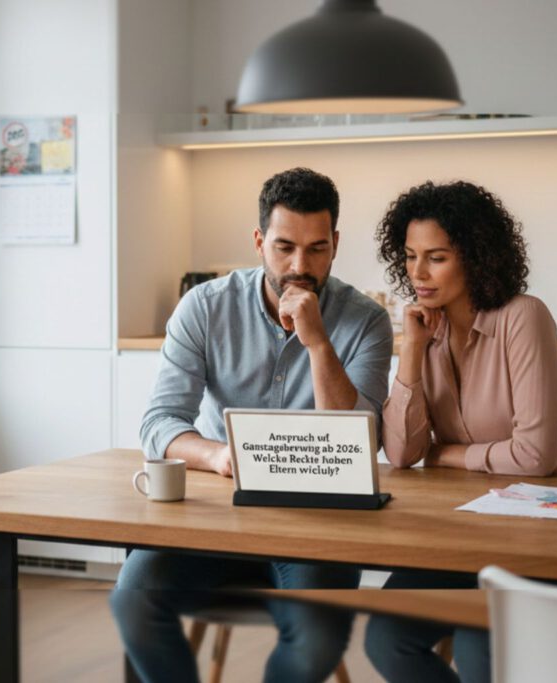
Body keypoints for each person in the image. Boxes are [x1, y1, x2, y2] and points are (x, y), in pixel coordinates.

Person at [110, 167, 394, 682]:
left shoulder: (366, 321)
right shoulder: (205, 306)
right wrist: (218, 454)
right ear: (260, 241)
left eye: (316, 249)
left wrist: (317, 343)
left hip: (317, 529)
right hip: (217, 520)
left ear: (335, 244)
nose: (299, 265)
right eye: (284, 247)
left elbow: (361, 441)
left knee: (316, 640)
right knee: (133, 599)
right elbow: (159, 422)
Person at [364, 180, 557, 683]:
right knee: (386, 637)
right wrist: (412, 352)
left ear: (475, 257)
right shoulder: (427, 329)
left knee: (478, 644)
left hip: (544, 527)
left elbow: (533, 456)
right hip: (461, 530)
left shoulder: (523, 318)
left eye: (436, 257)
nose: (417, 273)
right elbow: (401, 454)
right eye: (409, 256)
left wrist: (446, 456)